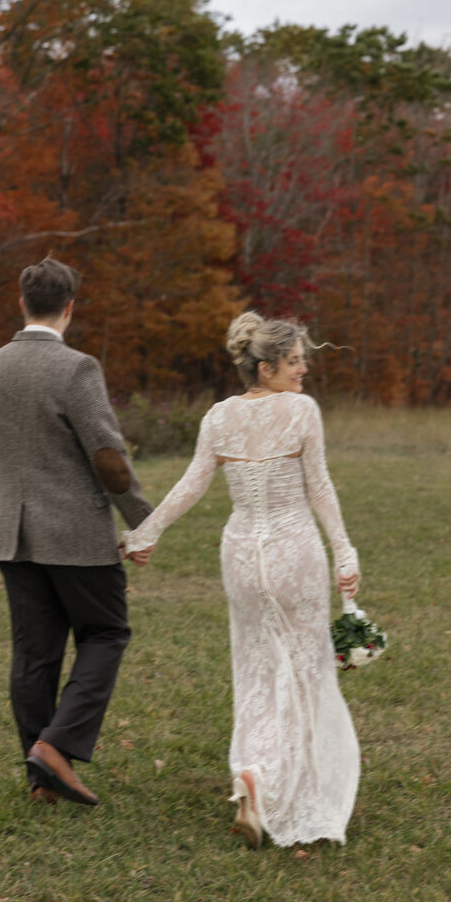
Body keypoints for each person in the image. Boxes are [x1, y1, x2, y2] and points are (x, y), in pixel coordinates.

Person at [122, 311, 361, 849]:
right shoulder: (301, 411)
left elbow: (190, 485)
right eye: (296, 361)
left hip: (241, 559)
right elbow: (319, 488)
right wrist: (344, 551)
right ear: (269, 367)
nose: (303, 371)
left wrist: (145, 532)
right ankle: (284, 789)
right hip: (294, 552)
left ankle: (253, 772)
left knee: (255, 668)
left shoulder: (218, 418)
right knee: (303, 669)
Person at [0, 255, 153, 807]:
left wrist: (11, 506)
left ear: (22, 303)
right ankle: (54, 749)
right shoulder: (77, 369)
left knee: (34, 654)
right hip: (76, 535)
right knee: (105, 634)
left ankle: (40, 779)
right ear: (69, 307)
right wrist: (143, 518)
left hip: (15, 533)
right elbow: (108, 457)